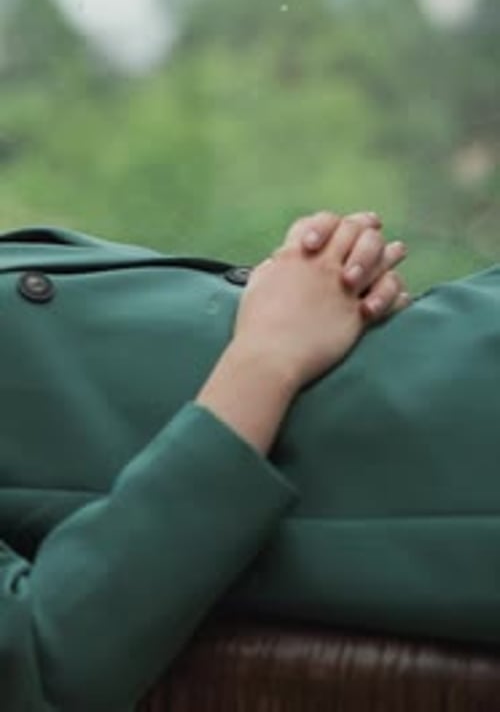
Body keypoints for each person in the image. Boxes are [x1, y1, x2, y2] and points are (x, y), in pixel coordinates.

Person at [0, 211, 498, 712]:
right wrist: (268, 356)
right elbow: (40, 666)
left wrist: (314, 277)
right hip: (442, 461)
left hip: (455, 341)